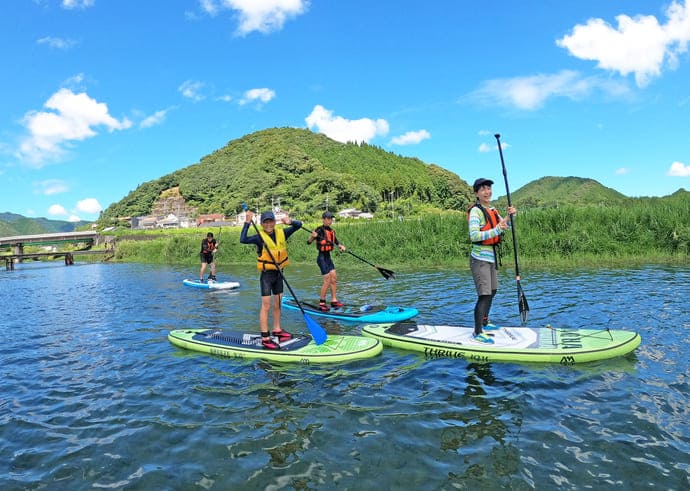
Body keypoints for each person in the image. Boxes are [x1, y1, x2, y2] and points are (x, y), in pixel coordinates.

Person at [240, 210, 302, 350]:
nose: (268, 224)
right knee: (266, 305)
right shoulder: (259, 237)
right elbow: (243, 239)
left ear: (274, 222)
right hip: (267, 276)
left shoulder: (282, 233)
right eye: (265, 222)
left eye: (270, 221)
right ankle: (265, 337)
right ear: (261, 224)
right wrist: (247, 222)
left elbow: (298, 226)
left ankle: (277, 329)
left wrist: (290, 221)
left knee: (278, 304)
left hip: (280, 274)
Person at [468, 178, 516, 344]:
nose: (487, 192)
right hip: (479, 258)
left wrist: (509, 217)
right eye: (483, 189)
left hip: (491, 258)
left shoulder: (493, 210)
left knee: (493, 290)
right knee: (484, 295)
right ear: (477, 193)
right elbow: (474, 235)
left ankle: (485, 322)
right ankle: (477, 331)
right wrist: (496, 229)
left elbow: (505, 227)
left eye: (488, 188)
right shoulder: (476, 211)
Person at [307, 211, 347, 311]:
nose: (330, 221)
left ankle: (334, 301)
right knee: (327, 280)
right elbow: (308, 242)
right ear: (323, 219)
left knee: (334, 277)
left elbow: (336, 242)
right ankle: (322, 302)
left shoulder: (332, 231)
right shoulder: (319, 230)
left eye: (331, 219)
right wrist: (312, 236)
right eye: (328, 219)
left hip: (328, 257)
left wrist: (341, 246)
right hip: (321, 258)